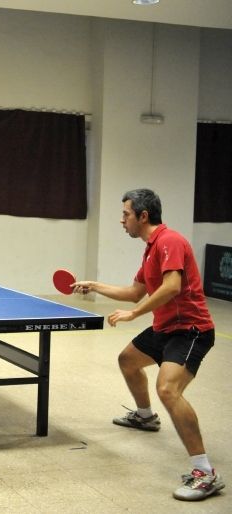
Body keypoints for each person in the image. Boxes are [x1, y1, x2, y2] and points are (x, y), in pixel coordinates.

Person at [73, 188, 222, 501]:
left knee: (168, 389)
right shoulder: (151, 249)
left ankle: (205, 473)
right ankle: (144, 416)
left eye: (126, 214)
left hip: (190, 329)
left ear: (143, 216)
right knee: (128, 360)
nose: (121, 220)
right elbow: (133, 291)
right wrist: (94, 284)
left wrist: (134, 314)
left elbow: (172, 286)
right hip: (165, 327)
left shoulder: (170, 241)